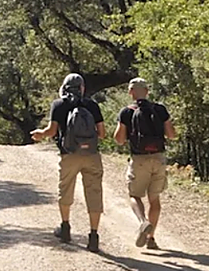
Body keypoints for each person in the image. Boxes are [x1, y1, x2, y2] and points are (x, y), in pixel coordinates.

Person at [30, 73, 106, 251]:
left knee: (66, 190)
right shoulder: (92, 105)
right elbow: (102, 134)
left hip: (68, 154)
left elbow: (51, 131)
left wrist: (40, 134)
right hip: (92, 155)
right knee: (94, 193)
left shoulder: (59, 104)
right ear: (82, 88)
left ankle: (65, 228)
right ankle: (93, 236)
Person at [113, 77, 176, 250]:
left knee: (134, 196)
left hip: (139, 159)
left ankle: (143, 222)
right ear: (147, 92)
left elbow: (118, 140)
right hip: (159, 158)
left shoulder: (126, 112)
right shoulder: (160, 109)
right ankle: (151, 238)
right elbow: (172, 135)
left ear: (130, 92)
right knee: (154, 199)